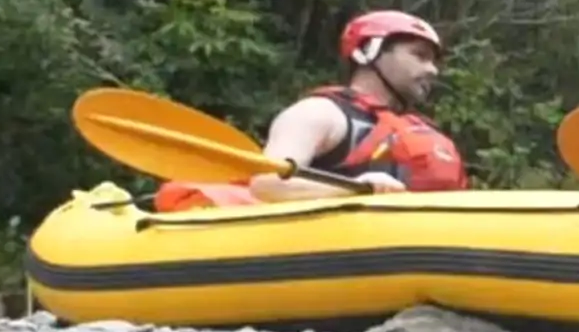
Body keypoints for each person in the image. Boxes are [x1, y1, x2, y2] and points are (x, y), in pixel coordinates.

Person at [157, 11, 464, 210]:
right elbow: (268, 184)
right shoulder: (320, 114)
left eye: (434, 61)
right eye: (419, 56)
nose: (432, 70)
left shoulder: (422, 131)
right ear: (370, 51)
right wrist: (355, 190)